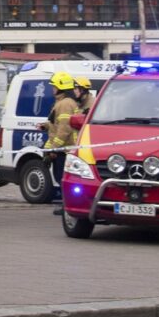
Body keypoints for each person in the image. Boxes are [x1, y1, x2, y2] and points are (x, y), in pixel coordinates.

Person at [45, 72, 90, 216]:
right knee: (61, 178)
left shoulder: (64, 104)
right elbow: (56, 125)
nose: (52, 89)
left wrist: (54, 149)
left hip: (64, 150)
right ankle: (67, 205)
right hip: (64, 148)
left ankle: (67, 206)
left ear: (60, 87)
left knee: (62, 178)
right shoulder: (64, 102)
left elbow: (64, 129)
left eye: (54, 86)